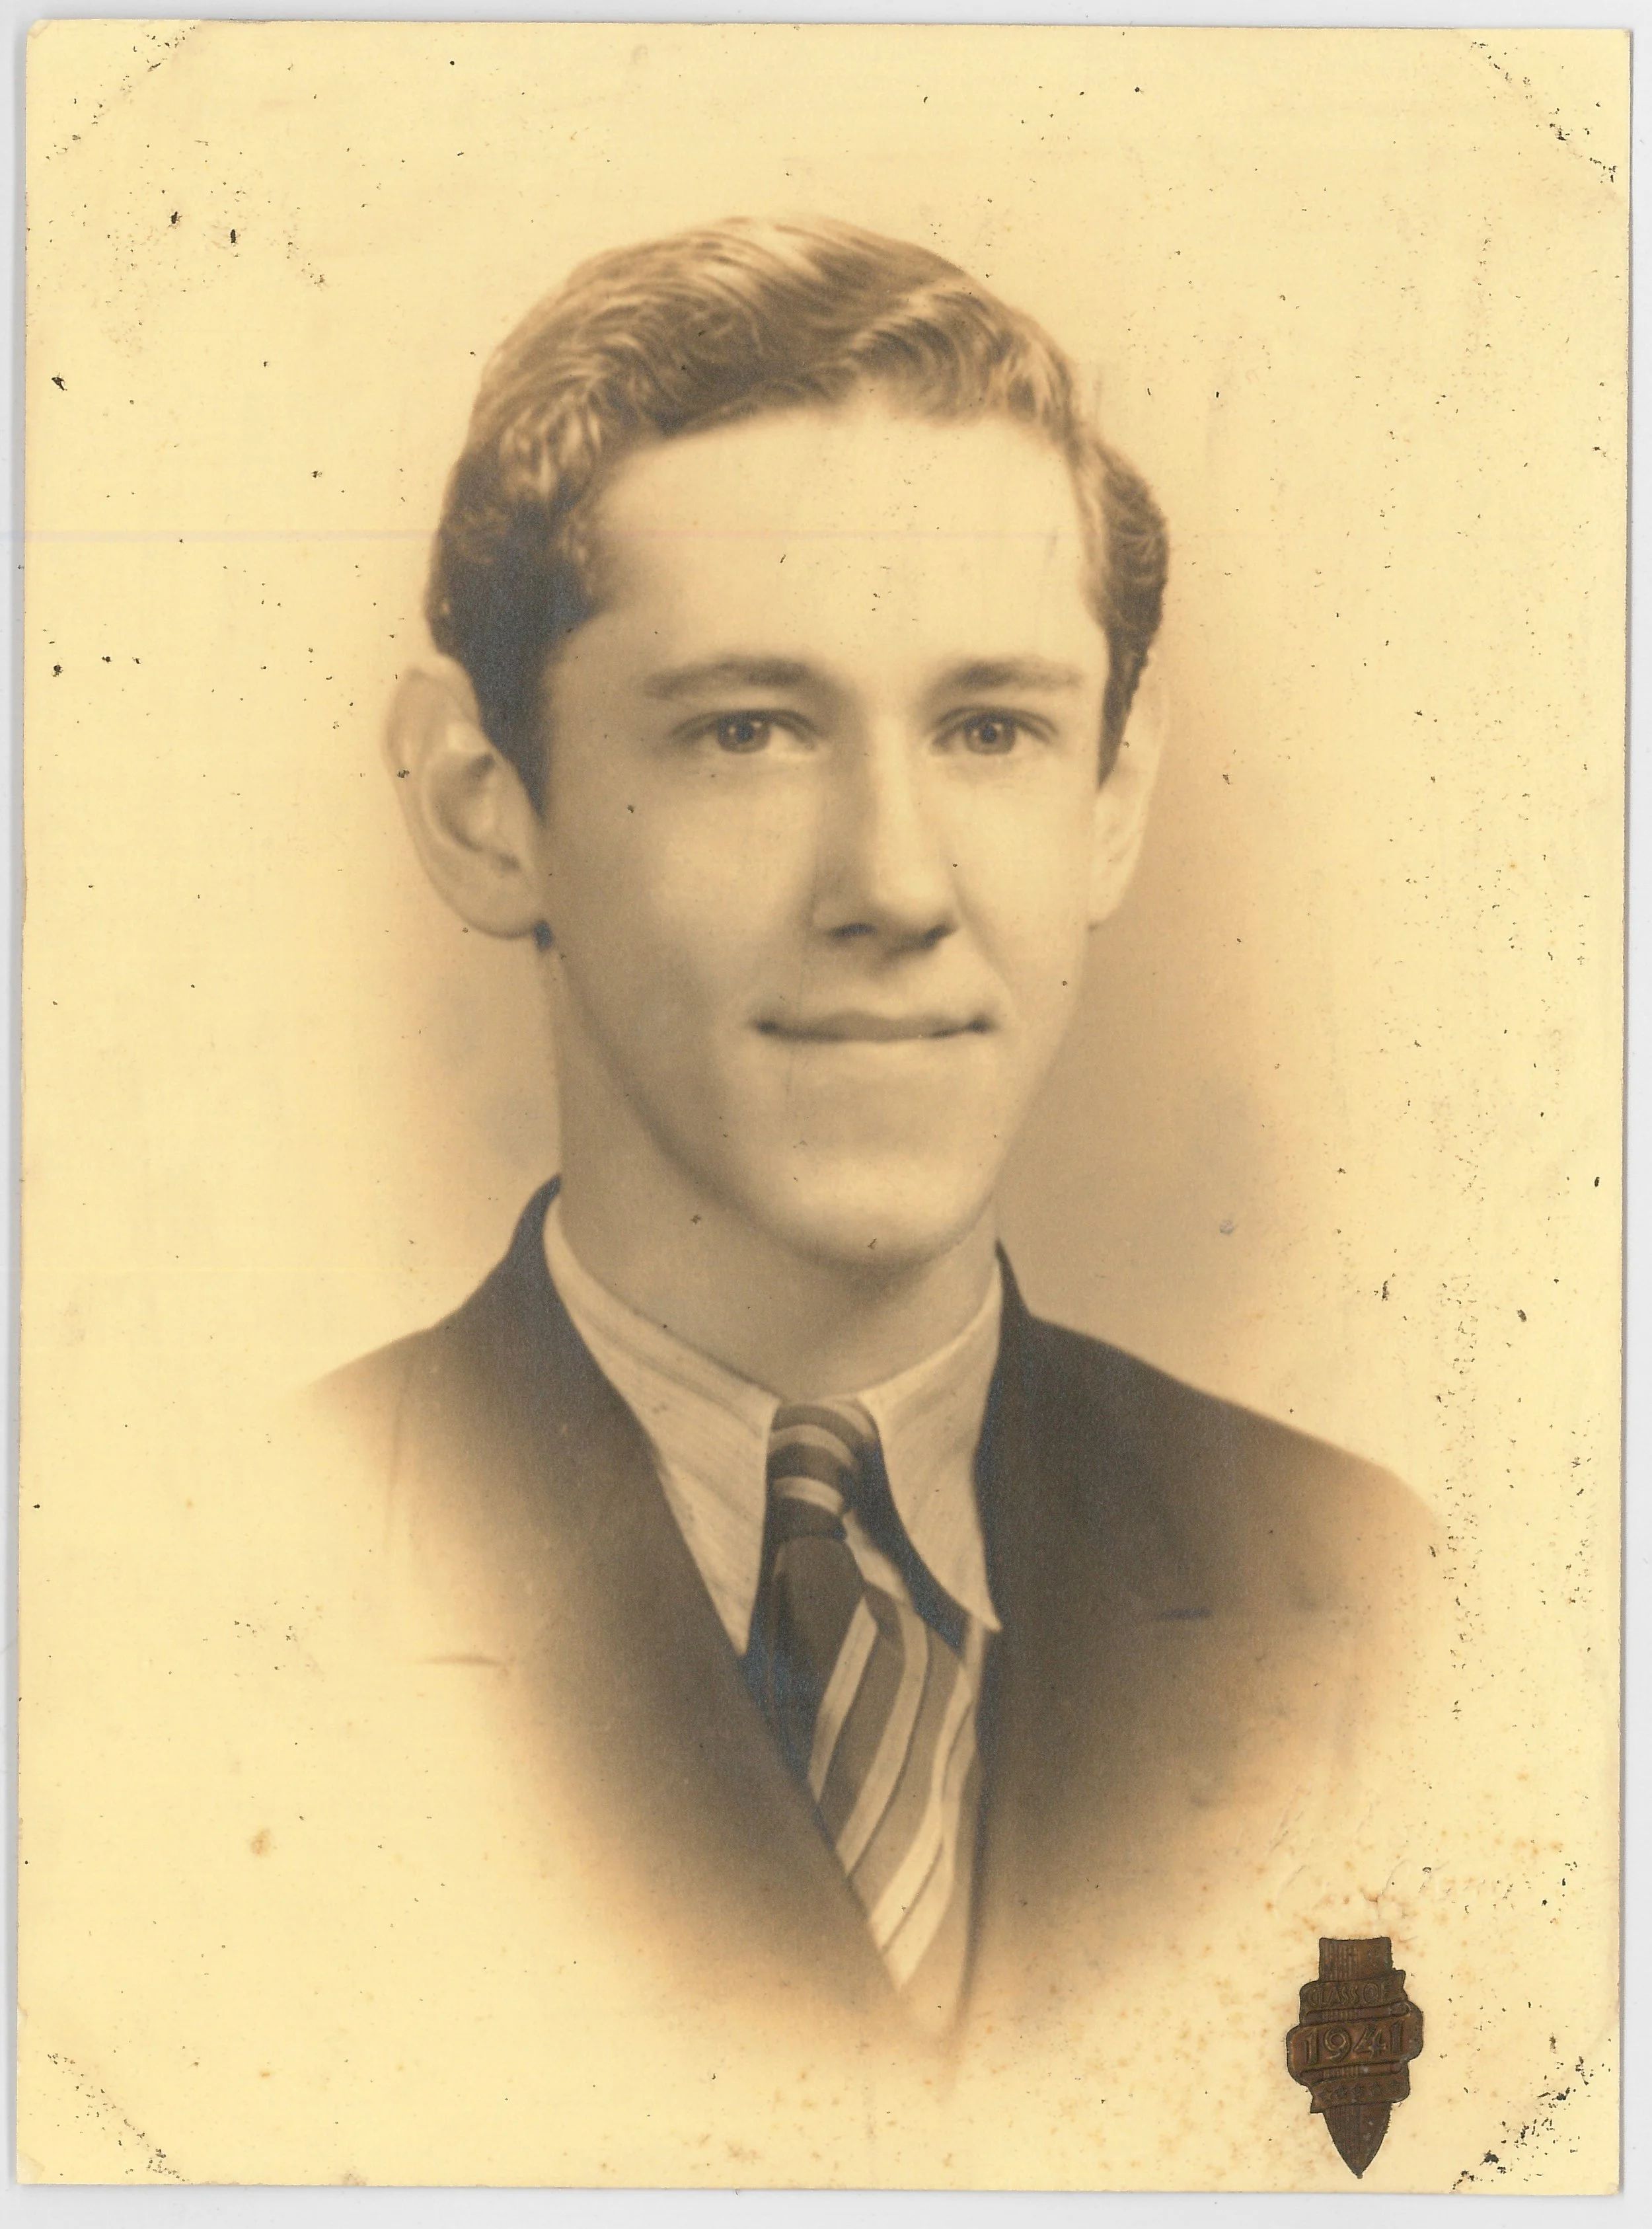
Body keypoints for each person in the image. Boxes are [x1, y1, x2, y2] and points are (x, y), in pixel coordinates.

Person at [322, 216, 1435, 2053]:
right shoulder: (217, 1598)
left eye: (991, 730)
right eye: (747, 731)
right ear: (480, 807)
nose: (897, 887)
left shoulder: (1361, 1596)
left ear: (1111, 800)